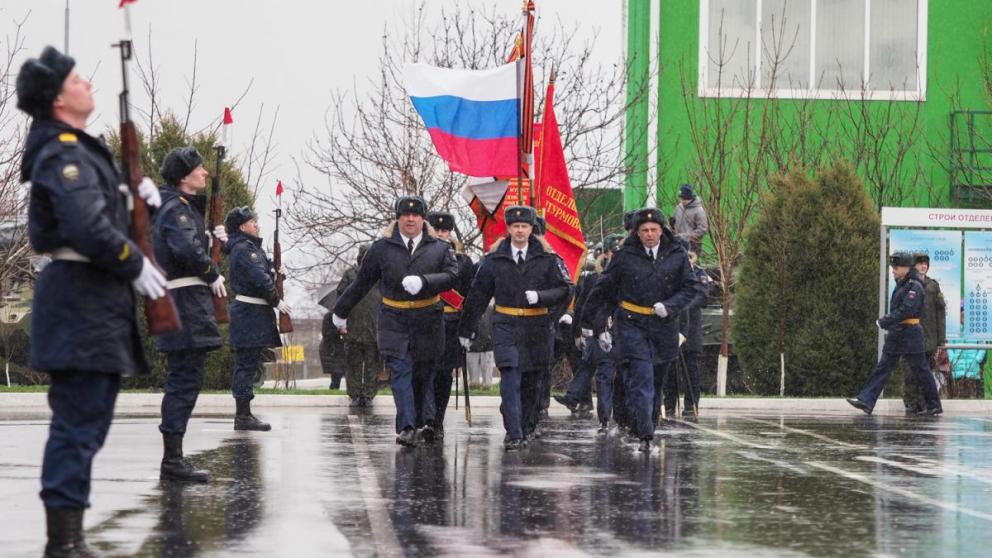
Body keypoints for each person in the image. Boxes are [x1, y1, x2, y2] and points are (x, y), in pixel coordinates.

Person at [17, 45, 167, 555]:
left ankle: (70, 538)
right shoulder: (63, 152)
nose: (88, 84)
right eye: (77, 80)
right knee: (77, 425)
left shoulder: (80, 150)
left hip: (94, 300)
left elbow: (100, 217)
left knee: (88, 424)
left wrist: (137, 200)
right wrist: (134, 261)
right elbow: (84, 226)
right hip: (80, 301)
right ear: (58, 99)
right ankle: (62, 544)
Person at [332, 196, 459, 446]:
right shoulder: (381, 249)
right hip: (394, 319)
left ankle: (421, 421)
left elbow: (452, 275)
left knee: (422, 374)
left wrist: (425, 281)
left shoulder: (440, 248)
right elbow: (362, 283)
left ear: (423, 219)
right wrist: (341, 311)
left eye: (415, 215)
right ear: (397, 218)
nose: (410, 219)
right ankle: (407, 427)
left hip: (427, 320)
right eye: (405, 215)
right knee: (400, 371)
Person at [584, 208, 701, 452]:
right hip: (632, 323)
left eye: (653, 230)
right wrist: (593, 322)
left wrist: (670, 306)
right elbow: (605, 288)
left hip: (663, 326)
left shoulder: (676, 254)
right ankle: (645, 435)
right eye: (644, 230)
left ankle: (646, 423)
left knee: (656, 381)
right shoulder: (625, 255)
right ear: (637, 233)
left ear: (661, 231)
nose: (649, 234)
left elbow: (691, 288)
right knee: (642, 375)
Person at [458, 206, 574, 450]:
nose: (520, 230)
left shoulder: (547, 259)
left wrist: (542, 298)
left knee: (532, 382)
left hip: (536, 327)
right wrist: (466, 329)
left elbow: (566, 290)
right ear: (508, 229)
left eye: (524, 226)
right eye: (515, 226)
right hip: (506, 325)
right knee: (510, 376)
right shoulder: (493, 260)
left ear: (531, 229)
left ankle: (526, 425)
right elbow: (477, 296)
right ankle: (514, 433)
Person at [152, 146, 229, 483]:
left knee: (186, 379)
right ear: (184, 176)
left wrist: (215, 241)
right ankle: (172, 461)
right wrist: (211, 272)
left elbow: (189, 246)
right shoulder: (175, 209)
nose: (205, 173)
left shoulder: (180, 208)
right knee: (183, 380)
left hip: (184, 302)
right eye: (199, 168)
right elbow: (185, 249)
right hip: (183, 304)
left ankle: (174, 458)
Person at [848, 251, 943, 416]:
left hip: (910, 333)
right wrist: (890, 322)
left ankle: (934, 405)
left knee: (921, 370)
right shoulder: (902, 284)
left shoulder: (915, 286)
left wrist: (886, 320)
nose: (893, 270)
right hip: (897, 333)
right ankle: (866, 401)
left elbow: (907, 310)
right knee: (883, 367)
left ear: (906, 268)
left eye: (896, 267)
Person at [224, 207, 290, 432]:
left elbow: (263, 274)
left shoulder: (249, 248)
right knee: (246, 365)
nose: (256, 225)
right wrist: (276, 300)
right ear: (243, 227)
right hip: (249, 314)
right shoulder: (244, 249)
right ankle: (242, 416)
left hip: (253, 313)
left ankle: (244, 414)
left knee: (250, 364)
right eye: (252, 222)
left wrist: (277, 273)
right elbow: (259, 279)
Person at [556, 233, 624, 427]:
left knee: (607, 373)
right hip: (600, 330)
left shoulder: (628, 274)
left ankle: (613, 413)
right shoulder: (595, 278)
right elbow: (585, 306)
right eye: (613, 252)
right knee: (600, 372)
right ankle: (604, 415)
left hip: (623, 329)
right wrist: (581, 330)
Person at [427, 211, 476, 439]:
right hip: (426, 321)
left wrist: (469, 328)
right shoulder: (420, 257)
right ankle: (425, 417)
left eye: (444, 230)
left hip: (451, 324)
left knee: (444, 375)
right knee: (425, 372)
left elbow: (471, 297)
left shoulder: (464, 262)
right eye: (436, 230)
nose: (440, 234)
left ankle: (437, 420)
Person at [333, 243, 382, 406]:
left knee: (372, 363)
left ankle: (368, 395)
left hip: (374, 327)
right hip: (353, 326)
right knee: (353, 363)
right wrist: (341, 323)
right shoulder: (350, 274)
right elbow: (340, 300)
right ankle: (354, 395)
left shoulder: (380, 275)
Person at [664, 251, 711, 416]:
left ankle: (691, 404)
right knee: (669, 369)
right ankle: (669, 404)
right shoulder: (671, 273)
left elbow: (703, 296)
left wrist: (682, 304)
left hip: (691, 330)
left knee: (691, 369)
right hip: (672, 327)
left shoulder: (698, 273)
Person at [903, 252, 947, 412]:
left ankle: (923, 403)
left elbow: (940, 313)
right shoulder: (906, 284)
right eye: (920, 263)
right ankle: (911, 402)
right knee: (910, 372)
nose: (923, 266)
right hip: (910, 336)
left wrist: (941, 339)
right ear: (914, 266)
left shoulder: (933, 286)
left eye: (925, 264)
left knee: (926, 372)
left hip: (929, 338)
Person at [673, 184, 708, 255]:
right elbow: (673, 223)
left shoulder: (699, 210)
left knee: (690, 262)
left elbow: (702, 229)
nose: (682, 201)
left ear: (690, 198)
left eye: (684, 199)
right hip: (678, 243)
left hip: (693, 245)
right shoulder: (679, 207)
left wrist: (685, 236)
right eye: (681, 198)